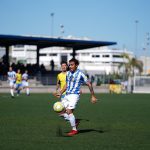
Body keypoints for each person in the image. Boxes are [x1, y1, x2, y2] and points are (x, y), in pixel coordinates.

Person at [57, 58, 97, 136]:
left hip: (74, 95)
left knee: (69, 111)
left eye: (72, 65)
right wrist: (61, 92)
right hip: (67, 94)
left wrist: (93, 96)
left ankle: (74, 130)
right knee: (61, 111)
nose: (70, 66)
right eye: (69, 65)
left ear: (76, 65)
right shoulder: (68, 73)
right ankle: (75, 121)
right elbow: (66, 85)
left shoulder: (81, 74)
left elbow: (89, 84)